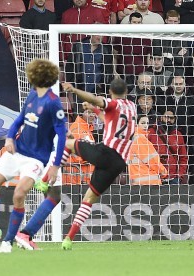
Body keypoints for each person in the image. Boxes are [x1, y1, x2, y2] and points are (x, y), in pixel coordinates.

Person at [0, 59, 67, 253]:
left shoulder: (53, 102)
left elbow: (62, 134)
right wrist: (9, 138)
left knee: (19, 193)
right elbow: (18, 120)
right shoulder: (32, 96)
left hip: (35, 158)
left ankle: (8, 241)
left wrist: (55, 166)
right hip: (16, 151)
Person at [60, 78, 137, 250]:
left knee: (68, 144)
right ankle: (68, 239)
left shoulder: (114, 104)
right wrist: (95, 110)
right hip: (118, 163)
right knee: (89, 199)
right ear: (127, 92)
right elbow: (110, 120)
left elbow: (97, 100)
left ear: (110, 92)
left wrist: (74, 90)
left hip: (106, 153)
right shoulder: (132, 107)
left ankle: (45, 179)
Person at [129, 115, 168, 185]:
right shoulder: (141, 139)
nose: (145, 126)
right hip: (149, 183)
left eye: (147, 123)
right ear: (136, 124)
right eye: (143, 123)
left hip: (138, 182)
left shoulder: (134, 139)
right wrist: (163, 172)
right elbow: (152, 161)